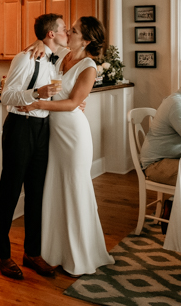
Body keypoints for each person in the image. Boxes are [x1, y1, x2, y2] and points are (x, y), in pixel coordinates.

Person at [18, 17, 114, 276]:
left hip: (73, 134)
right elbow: (38, 47)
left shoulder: (89, 66)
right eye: (68, 29)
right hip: (52, 133)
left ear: (86, 39)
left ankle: (79, 253)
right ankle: (53, 251)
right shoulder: (61, 56)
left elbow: (73, 103)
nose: (68, 33)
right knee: (54, 188)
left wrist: (38, 104)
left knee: (73, 188)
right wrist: (38, 41)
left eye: (73, 30)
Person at [0, 14, 68, 280]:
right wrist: (37, 93)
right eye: (63, 29)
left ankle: (32, 252)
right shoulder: (25, 58)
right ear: (51, 34)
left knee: (37, 192)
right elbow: (7, 97)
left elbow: (77, 47)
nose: (67, 32)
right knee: (11, 192)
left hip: (42, 128)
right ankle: (1, 254)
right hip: (20, 126)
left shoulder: (54, 57)